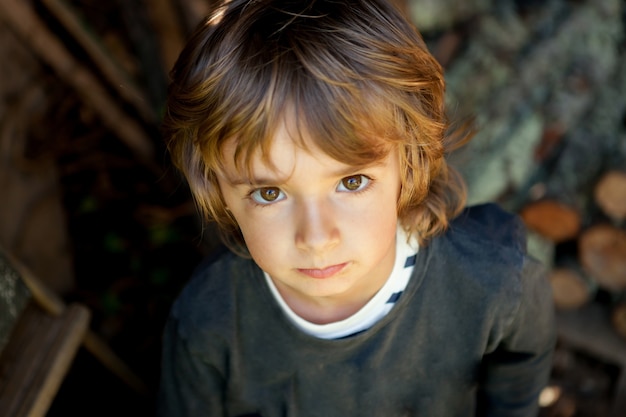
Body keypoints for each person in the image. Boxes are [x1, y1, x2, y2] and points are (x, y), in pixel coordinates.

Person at [157, 0, 556, 415]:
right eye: (270, 193)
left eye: (351, 182)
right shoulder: (207, 323)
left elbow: (519, 376)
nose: (316, 238)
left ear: (409, 162)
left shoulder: (493, 281)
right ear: (217, 189)